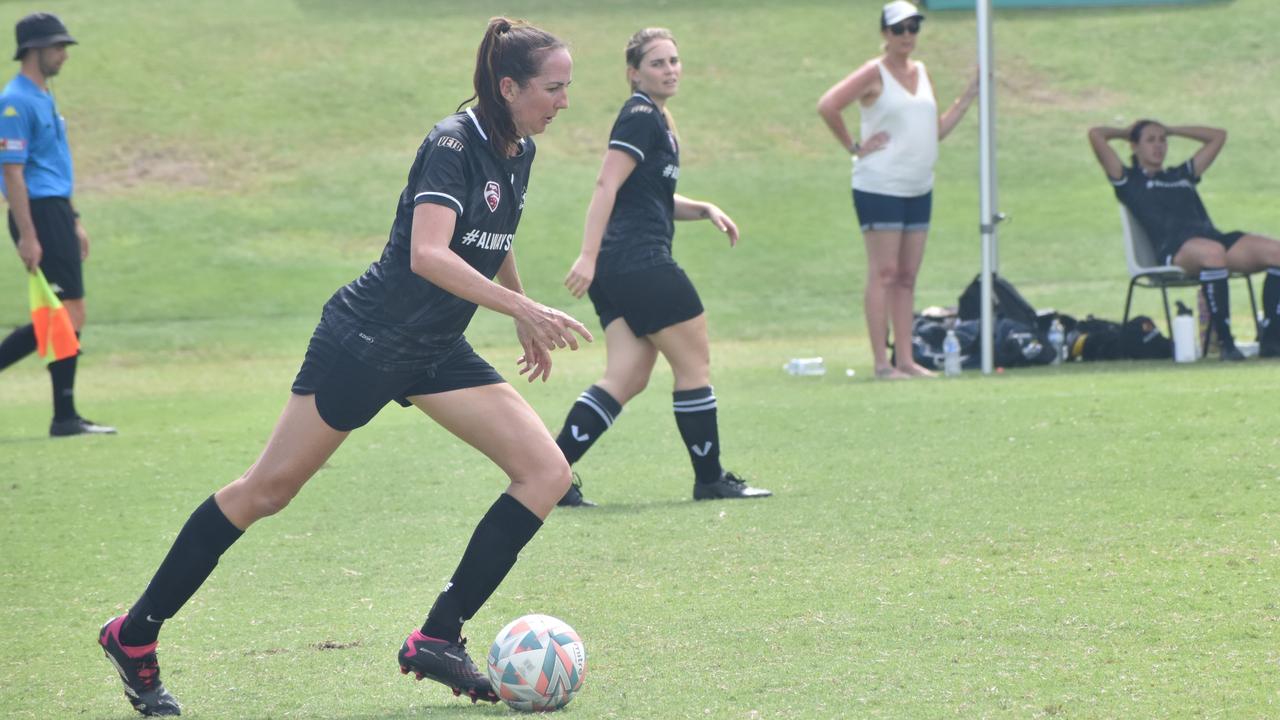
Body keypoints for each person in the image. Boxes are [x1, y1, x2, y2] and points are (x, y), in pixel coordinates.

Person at [96, 18, 590, 716]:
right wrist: (524, 306)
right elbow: (428, 254)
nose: (565, 100)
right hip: (369, 339)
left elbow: (495, 232)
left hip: (435, 347)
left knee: (546, 473)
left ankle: (438, 638)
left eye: (568, 86)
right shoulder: (451, 144)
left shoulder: (519, 146)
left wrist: (517, 309)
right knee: (265, 491)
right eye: (554, 87)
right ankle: (134, 634)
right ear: (508, 87)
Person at [552, 27, 770, 508]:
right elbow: (606, 185)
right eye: (657, 63)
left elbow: (648, 196)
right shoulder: (639, 115)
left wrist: (703, 208)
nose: (670, 69)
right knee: (694, 366)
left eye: (674, 60)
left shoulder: (658, 120)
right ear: (634, 73)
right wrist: (585, 256)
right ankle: (710, 479)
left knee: (626, 376)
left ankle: (550, 475)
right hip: (639, 261)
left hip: (620, 266)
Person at [817, 1, 978, 380]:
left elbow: (932, 129)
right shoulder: (874, 73)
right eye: (899, 28)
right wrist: (854, 147)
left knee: (907, 275)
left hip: (918, 184)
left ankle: (906, 360)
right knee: (884, 272)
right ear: (885, 34)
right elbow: (828, 105)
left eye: (913, 27)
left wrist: (969, 95)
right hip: (880, 184)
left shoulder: (921, 72)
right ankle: (881, 363)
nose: (907, 35)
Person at [0, 12, 114, 436]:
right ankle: (64, 417)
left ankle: (65, 416)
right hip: (39, 212)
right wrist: (28, 234)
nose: (64, 55)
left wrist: (75, 218)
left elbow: (53, 164)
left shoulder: (43, 96)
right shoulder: (14, 101)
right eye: (58, 47)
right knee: (64, 313)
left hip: (57, 211)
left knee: (67, 313)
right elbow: (12, 173)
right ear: (34, 50)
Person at [1088, 120, 1280, 359]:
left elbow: (1218, 135)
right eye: (1150, 140)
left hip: (1214, 241)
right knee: (1213, 253)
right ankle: (1226, 343)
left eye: (1162, 140)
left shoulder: (1181, 174)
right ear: (1134, 146)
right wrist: (1126, 132)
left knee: (1275, 252)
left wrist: (1172, 129)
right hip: (1177, 249)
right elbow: (1096, 134)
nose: (1159, 145)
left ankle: (1272, 340)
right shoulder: (1129, 180)